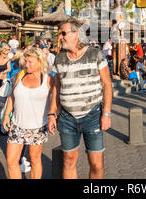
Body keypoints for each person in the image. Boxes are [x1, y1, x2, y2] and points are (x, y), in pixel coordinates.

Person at [48, 20, 113, 179]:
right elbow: (56, 87)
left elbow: (107, 84)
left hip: (93, 116)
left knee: (96, 164)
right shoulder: (59, 58)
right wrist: (51, 114)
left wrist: (107, 114)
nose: (60, 37)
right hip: (67, 118)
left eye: (63, 33)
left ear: (76, 34)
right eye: (59, 34)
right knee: (68, 161)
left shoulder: (94, 54)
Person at [2, 48, 54, 179]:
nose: (26, 64)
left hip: (37, 126)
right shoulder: (20, 74)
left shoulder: (48, 78)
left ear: (40, 62)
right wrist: (6, 115)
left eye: (30, 62)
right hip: (17, 124)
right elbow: (12, 97)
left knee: (35, 160)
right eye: (25, 61)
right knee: (11, 161)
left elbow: (55, 100)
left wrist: (53, 116)